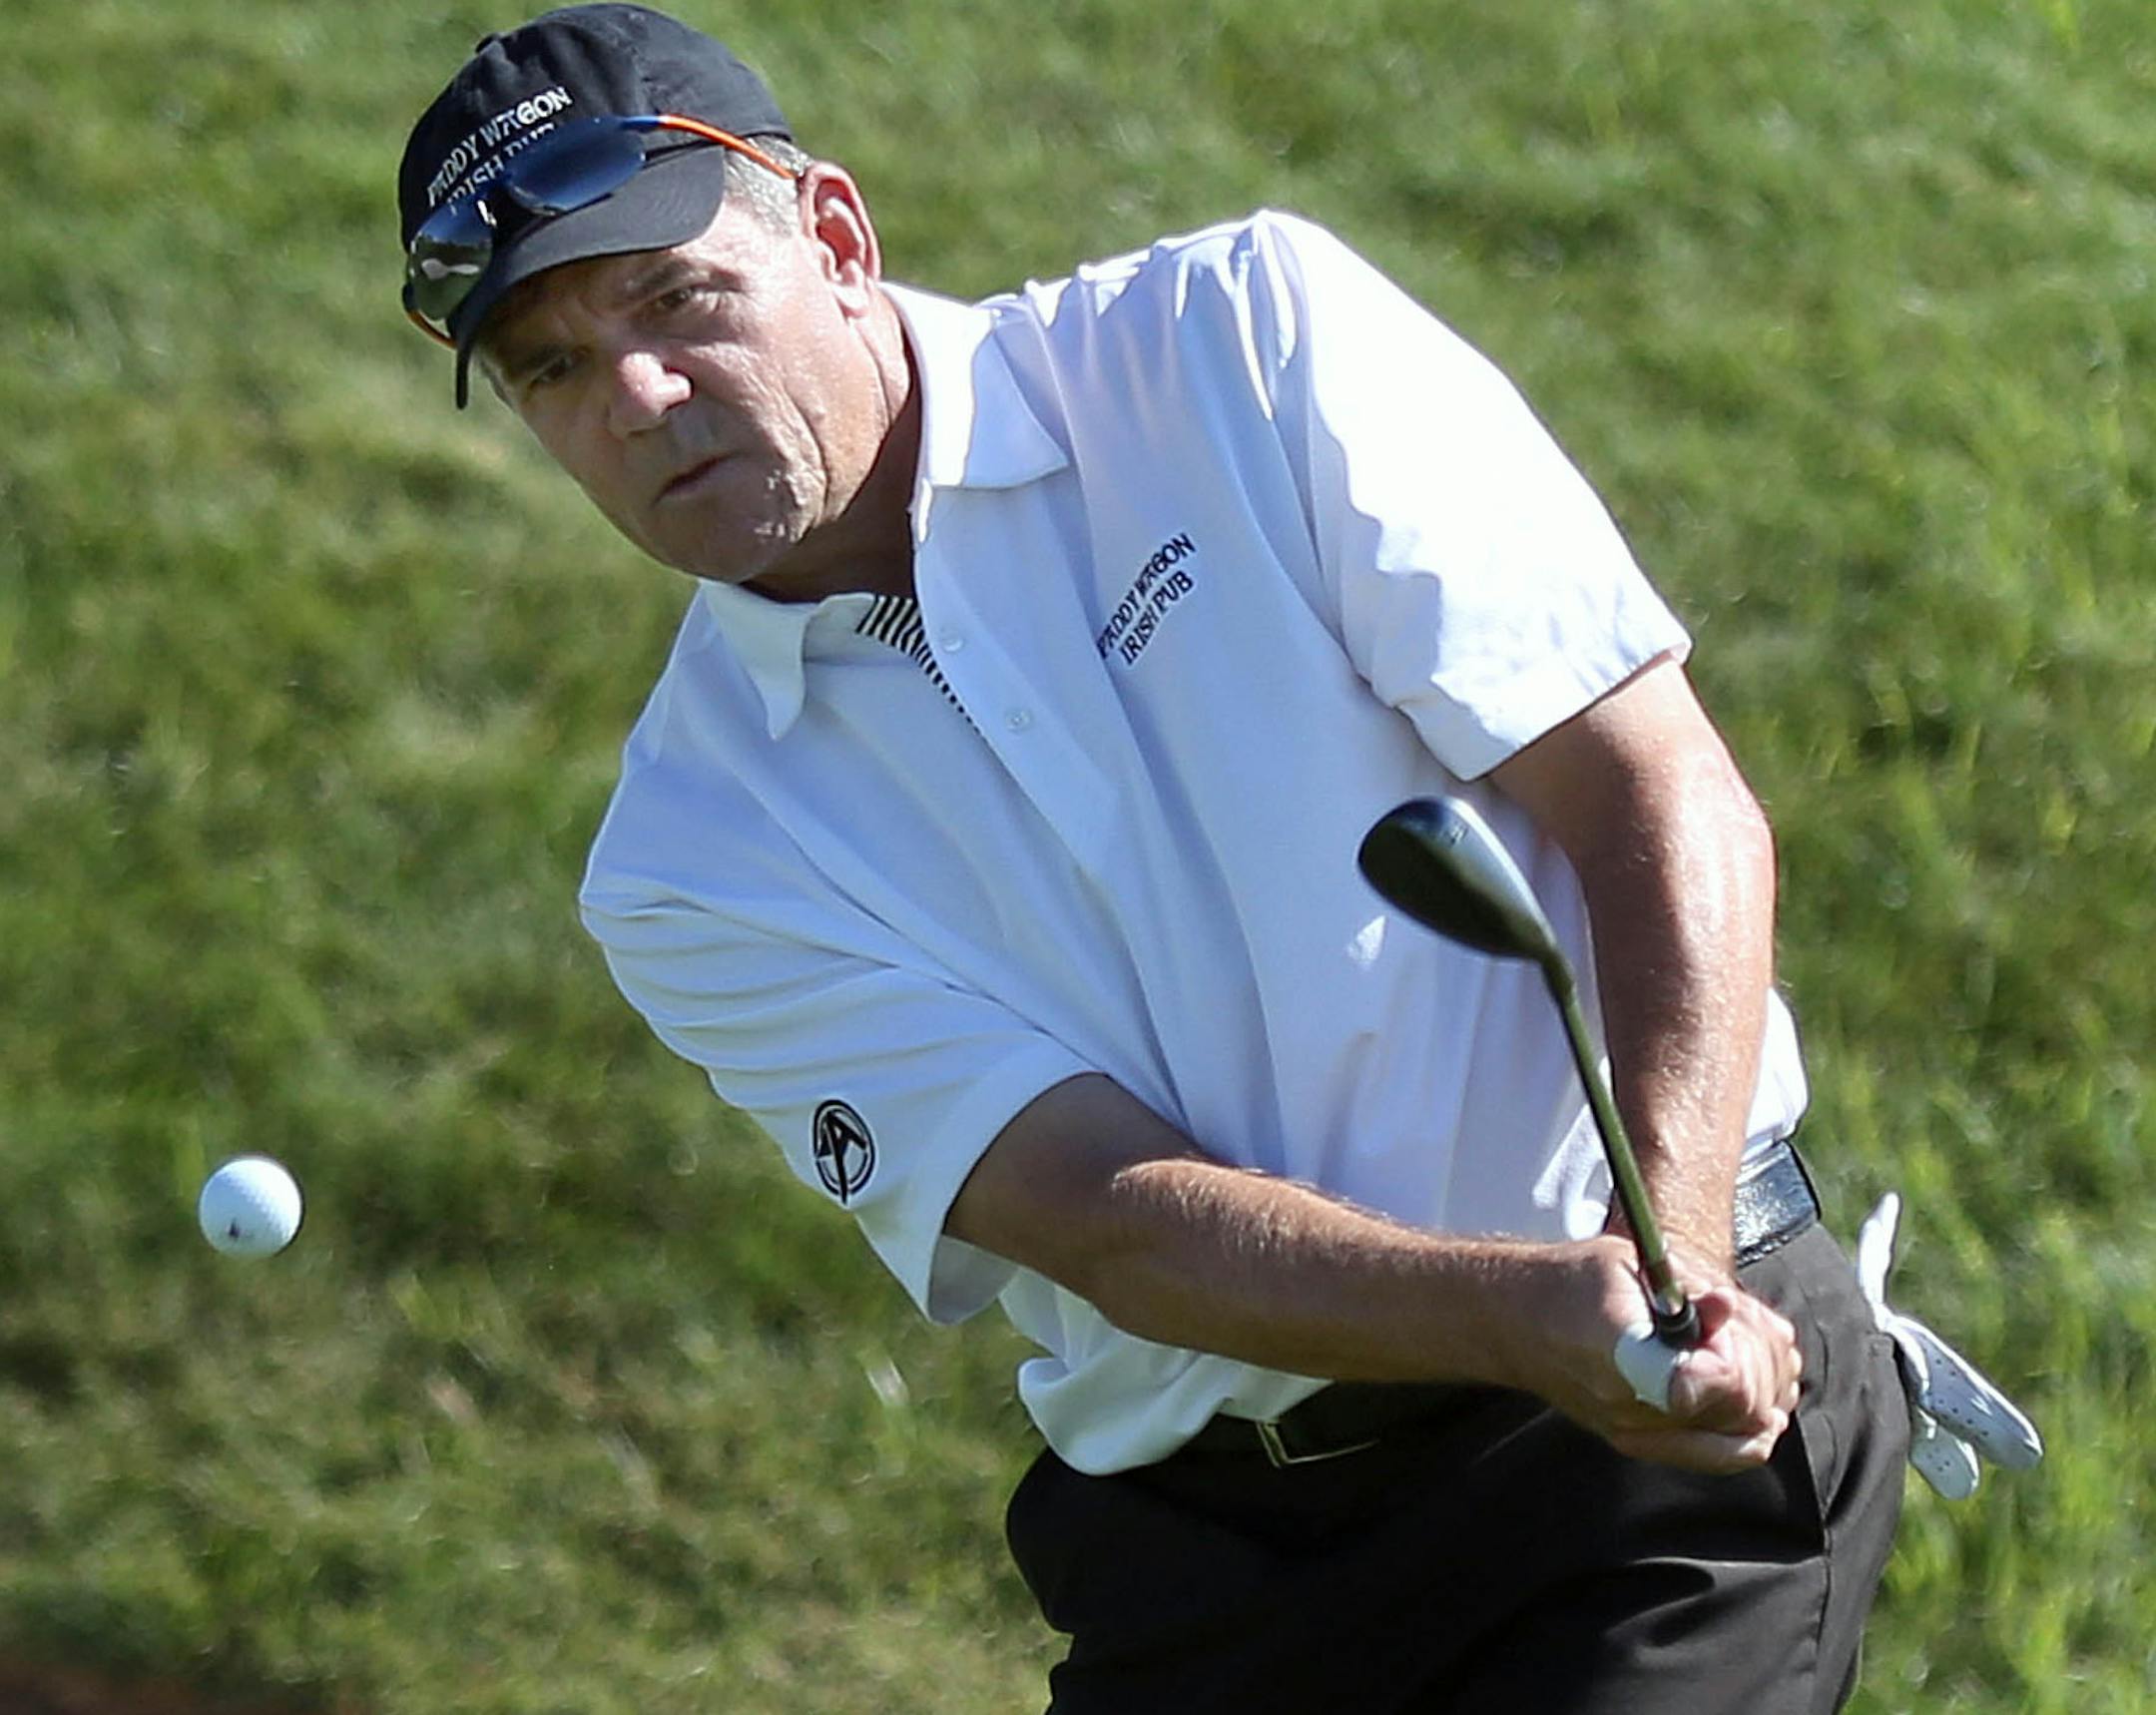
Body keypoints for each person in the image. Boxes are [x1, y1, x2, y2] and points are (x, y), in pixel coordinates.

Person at [396, 8, 1918, 1709]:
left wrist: (1678, 1275)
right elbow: (1109, 1217)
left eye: (676, 301)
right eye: (550, 368)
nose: (639, 398)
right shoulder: (688, 855)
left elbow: (1655, 791)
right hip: (1215, 1567)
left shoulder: (1241, 341)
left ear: (834, 238)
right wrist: (1516, 1315)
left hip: (1651, 1476)